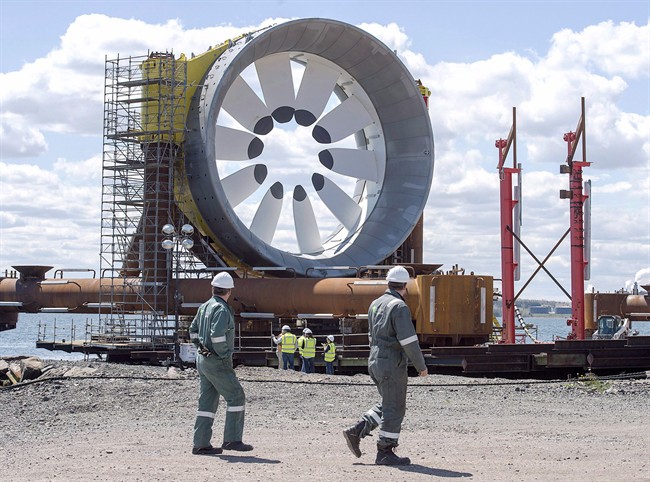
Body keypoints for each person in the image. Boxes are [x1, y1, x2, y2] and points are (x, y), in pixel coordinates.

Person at [342, 266, 428, 466]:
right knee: (395, 407)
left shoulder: (376, 304)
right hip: (391, 363)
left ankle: (357, 431)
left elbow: (371, 334)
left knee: (389, 401)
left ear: (388, 283)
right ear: (404, 286)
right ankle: (385, 451)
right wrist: (420, 365)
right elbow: (408, 340)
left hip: (376, 360)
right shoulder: (399, 306)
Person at [189, 272, 253, 455]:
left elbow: (192, 330)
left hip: (203, 361)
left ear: (213, 288)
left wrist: (200, 347)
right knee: (236, 396)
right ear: (229, 291)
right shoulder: (222, 309)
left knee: (207, 402)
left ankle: (200, 443)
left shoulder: (204, 307)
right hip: (217, 361)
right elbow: (217, 337)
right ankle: (232, 440)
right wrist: (224, 355)